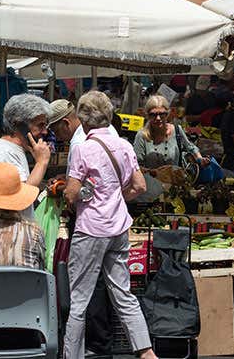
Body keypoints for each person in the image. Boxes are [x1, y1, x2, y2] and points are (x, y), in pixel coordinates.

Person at [62, 90, 155, 359]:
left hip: (91, 228)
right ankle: (147, 352)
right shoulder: (125, 145)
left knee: (79, 299)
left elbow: (71, 193)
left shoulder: (83, 149)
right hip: (119, 227)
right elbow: (140, 186)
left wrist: (85, 195)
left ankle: (72, 356)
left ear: (82, 119)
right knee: (123, 293)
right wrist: (116, 197)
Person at [0, 94, 52, 220]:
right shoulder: (4, 152)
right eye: (40, 125)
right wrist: (41, 163)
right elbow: (21, 197)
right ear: (19, 124)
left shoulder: (11, 150)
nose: (44, 132)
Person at [132, 95, 206, 169]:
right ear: (147, 115)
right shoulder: (142, 135)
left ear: (167, 114)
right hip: (151, 179)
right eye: (153, 115)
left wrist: (200, 159)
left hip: (175, 178)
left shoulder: (177, 130)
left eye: (161, 114)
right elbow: (137, 166)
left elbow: (191, 148)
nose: (158, 118)